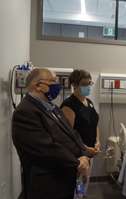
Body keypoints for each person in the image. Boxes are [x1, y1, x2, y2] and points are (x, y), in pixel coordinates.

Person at [12, 68, 90, 199]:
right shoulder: (25, 112)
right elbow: (46, 148)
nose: (58, 85)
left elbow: (72, 133)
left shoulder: (52, 107)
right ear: (38, 86)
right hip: (47, 184)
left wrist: (84, 154)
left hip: (65, 177)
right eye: (53, 81)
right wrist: (77, 163)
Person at [61, 69, 100, 197]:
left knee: (84, 185)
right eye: (84, 84)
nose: (88, 86)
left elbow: (95, 124)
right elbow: (68, 134)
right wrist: (84, 148)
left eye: (89, 83)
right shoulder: (69, 105)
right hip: (78, 154)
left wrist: (97, 141)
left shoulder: (89, 103)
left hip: (90, 151)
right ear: (74, 85)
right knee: (76, 187)